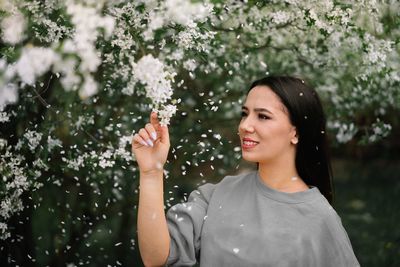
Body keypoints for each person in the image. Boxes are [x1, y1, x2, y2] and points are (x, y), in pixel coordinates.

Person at [132, 76, 360, 267]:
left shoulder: (320, 220)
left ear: (296, 132)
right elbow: (156, 257)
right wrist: (151, 172)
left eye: (262, 116)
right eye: (245, 113)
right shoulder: (216, 195)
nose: (244, 126)